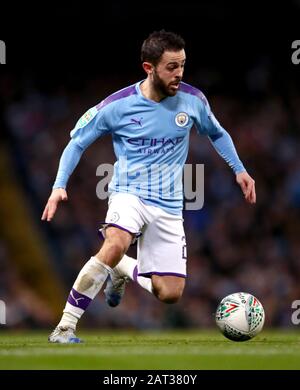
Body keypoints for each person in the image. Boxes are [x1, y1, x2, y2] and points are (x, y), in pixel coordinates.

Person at [42, 30, 256, 343]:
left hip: (169, 205)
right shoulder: (118, 105)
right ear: (149, 68)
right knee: (115, 242)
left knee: (169, 293)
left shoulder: (193, 101)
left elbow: (217, 132)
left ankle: (123, 269)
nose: (179, 74)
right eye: (171, 67)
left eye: (182, 65)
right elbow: (77, 143)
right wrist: (59, 185)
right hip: (129, 194)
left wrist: (239, 170)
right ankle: (65, 326)